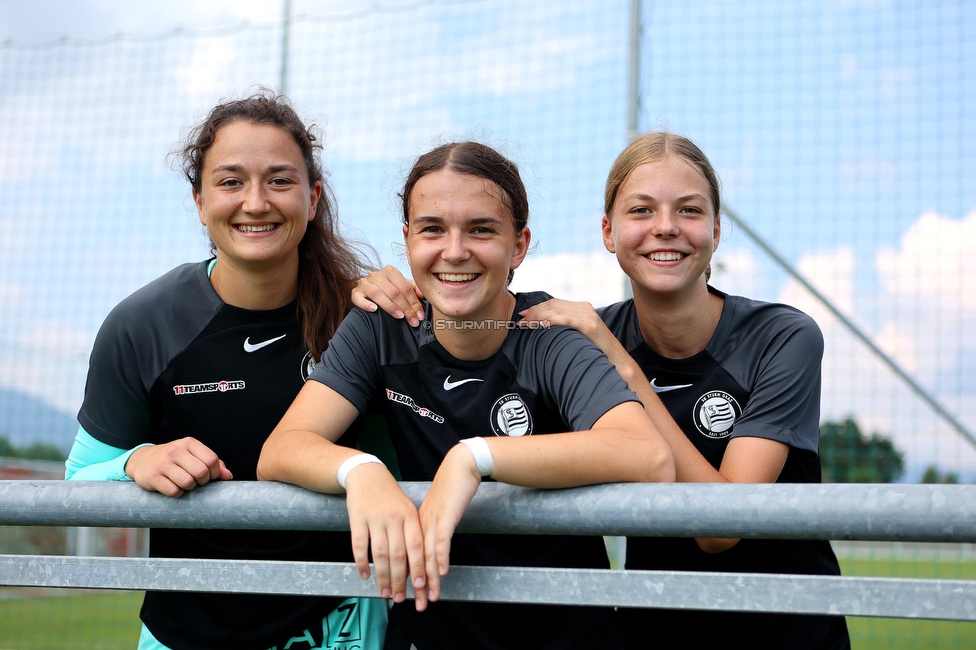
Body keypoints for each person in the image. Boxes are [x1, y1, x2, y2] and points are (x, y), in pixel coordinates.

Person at [353, 133, 851, 649]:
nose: (665, 227)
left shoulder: (781, 337)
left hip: (786, 631)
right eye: (641, 210)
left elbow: (720, 527)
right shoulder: (582, 336)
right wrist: (381, 291)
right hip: (651, 629)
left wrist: (622, 365)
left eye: (689, 210)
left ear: (716, 231)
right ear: (609, 232)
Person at [256, 141, 675, 650]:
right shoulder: (379, 330)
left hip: (563, 633)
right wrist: (360, 471)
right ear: (408, 240)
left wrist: (474, 458)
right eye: (432, 229)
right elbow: (282, 449)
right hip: (429, 630)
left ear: (519, 245)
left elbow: (648, 455)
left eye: (481, 229)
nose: (454, 251)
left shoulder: (549, 334)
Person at [65, 92, 387, 650]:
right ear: (199, 200)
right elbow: (78, 483)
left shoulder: (362, 318)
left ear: (312, 199)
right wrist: (137, 461)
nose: (256, 202)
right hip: (187, 635)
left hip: (341, 632)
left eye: (280, 181)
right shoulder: (142, 325)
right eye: (231, 181)